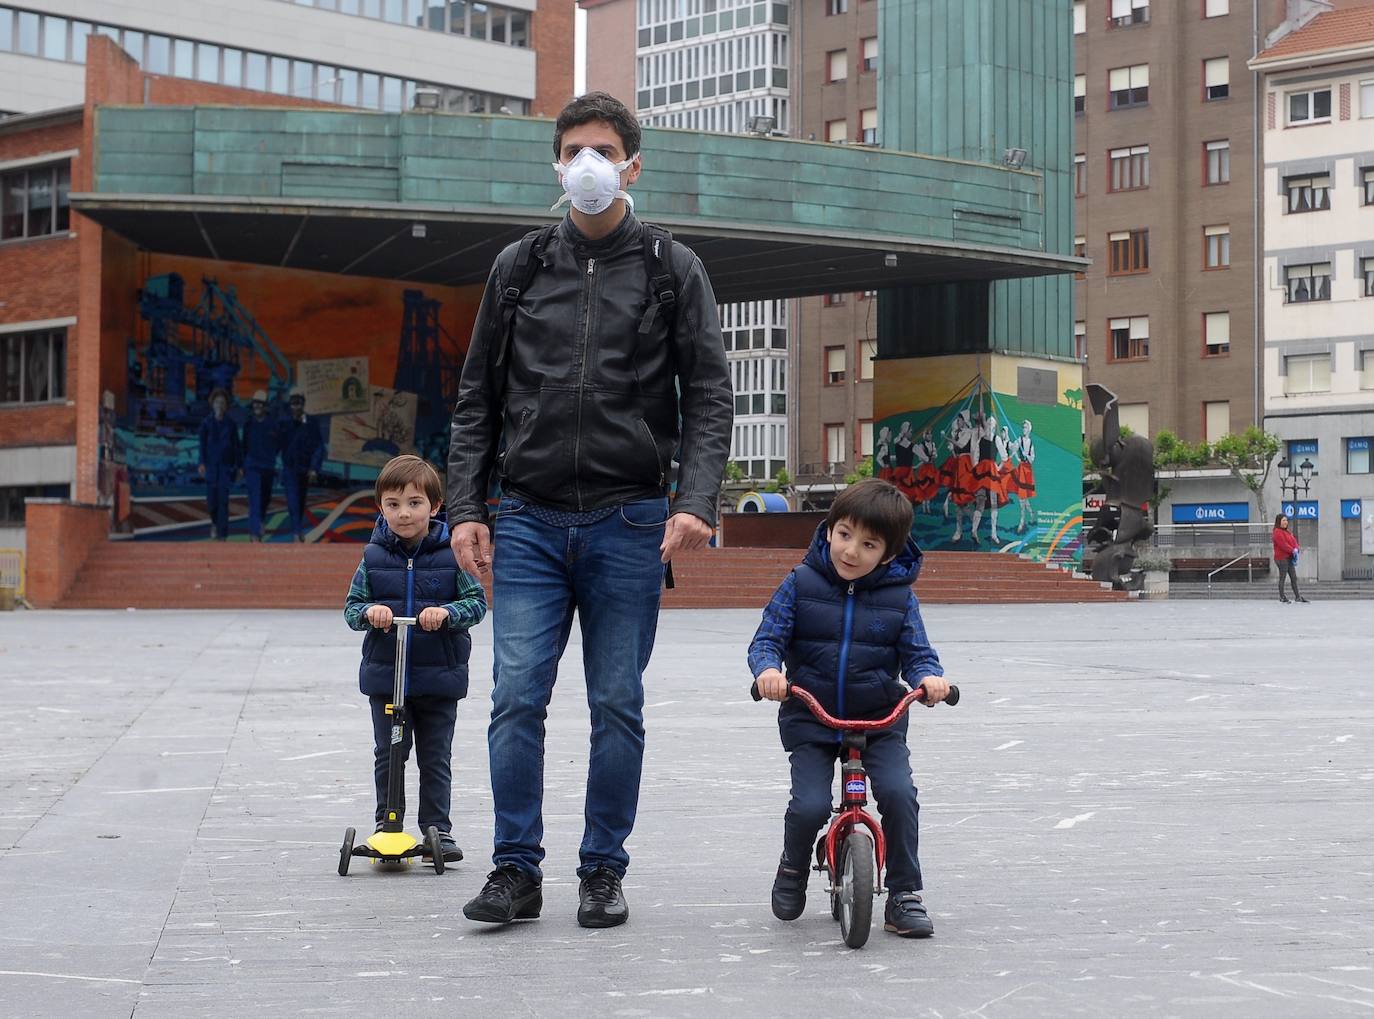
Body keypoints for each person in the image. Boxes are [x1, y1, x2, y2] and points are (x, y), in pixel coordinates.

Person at [446, 91, 732, 929]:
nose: (587, 165)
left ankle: (603, 870)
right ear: (557, 164)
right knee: (514, 698)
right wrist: (466, 506)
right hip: (528, 516)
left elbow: (710, 394)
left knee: (616, 702)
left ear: (634, 163)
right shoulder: (520, 265)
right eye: (573, 150)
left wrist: (696, 499)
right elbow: (477, 398)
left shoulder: (673, 269)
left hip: (631, 520)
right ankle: (515, 870)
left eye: (603, 149)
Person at [748, 478, 952, 938]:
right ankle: (793, 865)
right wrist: (768, 672)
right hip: (812, 716)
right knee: (810, 805)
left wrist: (927, 679)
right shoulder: (801, 583)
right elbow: (767, 639)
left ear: (890, 553)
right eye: (844, 534)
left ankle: (904, 894)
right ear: (829, 529)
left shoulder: (900, 598)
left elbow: (919, 653)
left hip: (880, 718)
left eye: (868, 544)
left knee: (900, 796)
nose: (851, 551)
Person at [344, 455, 488, 862]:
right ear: (381, 508)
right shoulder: (373, 558)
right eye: (393, 504)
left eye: (414, 503)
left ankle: (437, 829)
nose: (403, 513)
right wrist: (370, 613)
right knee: (389, 753)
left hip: (438, 676)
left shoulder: (452, 555)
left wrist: (447, 614)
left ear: (435, 506)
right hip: (387, 678)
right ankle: (386, 824)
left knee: (435, 756)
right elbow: (352, 608)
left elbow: (475, 604)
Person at [279, 388, 324, 542]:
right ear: (289, 405)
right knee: (292, 500)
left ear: (303, 404)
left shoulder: (311, 423)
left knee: (300, 501)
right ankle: (297, 532)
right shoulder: (284, 424)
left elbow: (319, 447)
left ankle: (297, 530)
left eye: (298, 403)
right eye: (293, 404)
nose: (295, 407)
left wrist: (314, 468)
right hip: (289, 469)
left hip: (305, 470)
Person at [198, 387, 241, 540]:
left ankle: (222, 535)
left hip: (225, 469)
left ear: (226, 405)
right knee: (212, 504)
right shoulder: (206, 423)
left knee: (223, 502)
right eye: (217, 402)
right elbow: (202, 445)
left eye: (222, 402)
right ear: (212, 404)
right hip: (211, 468)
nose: (220, 405)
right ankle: (214, 523)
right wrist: (201, 463)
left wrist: (239, 467)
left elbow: (237, 446)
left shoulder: (231, 425)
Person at [241, 390, 277, 542]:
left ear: (265, 406)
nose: (258, 406)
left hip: (268, 467)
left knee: (265, 499)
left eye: (260, 404)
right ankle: (254, 534)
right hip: (252, 467)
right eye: (256, 403)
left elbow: (277, 444)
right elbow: (244, 445)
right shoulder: (248, 424)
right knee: (254, 499)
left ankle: (259, 522)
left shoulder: (272, 424)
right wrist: (243, 465)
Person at [1272, 512, 1309, 603]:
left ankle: (1297, 597)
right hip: (1281, 558)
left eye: (1286, 520)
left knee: (1293, 577)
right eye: (1283, 520)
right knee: (1283, 577)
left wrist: (1296, 548)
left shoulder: (1287, 532)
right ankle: (1282, 597)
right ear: (1278, 522)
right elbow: (1283, 545)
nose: (1286, 522)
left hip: (1289, 558)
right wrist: (1292, 550)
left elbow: (1294, 541)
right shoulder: (1277, 532)